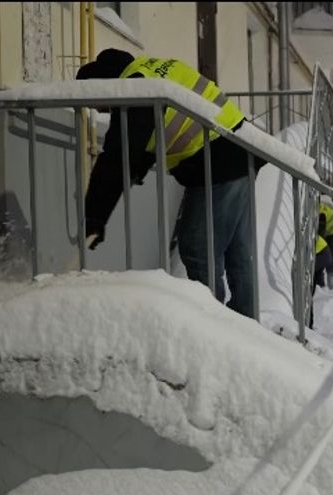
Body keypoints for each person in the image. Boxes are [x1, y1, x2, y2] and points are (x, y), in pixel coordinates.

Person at [76, 49, 262, 318]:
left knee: (197, 247)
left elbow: (117, 159)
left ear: (102, 84)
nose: (96, 109)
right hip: (238, 152)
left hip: (218, 164)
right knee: (237, 254)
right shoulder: (150, 70)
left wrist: (95, 216)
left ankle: (216, 327)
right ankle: (249, 328)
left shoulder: (134, 89)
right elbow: (145, 141)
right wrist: (135, 169)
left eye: (93, 101)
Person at [309, 234, 333, 328]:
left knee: (308, 291)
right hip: (323, 253)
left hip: (321, 254)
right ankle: (310, 323)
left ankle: (309, 325)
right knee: (313, 281)